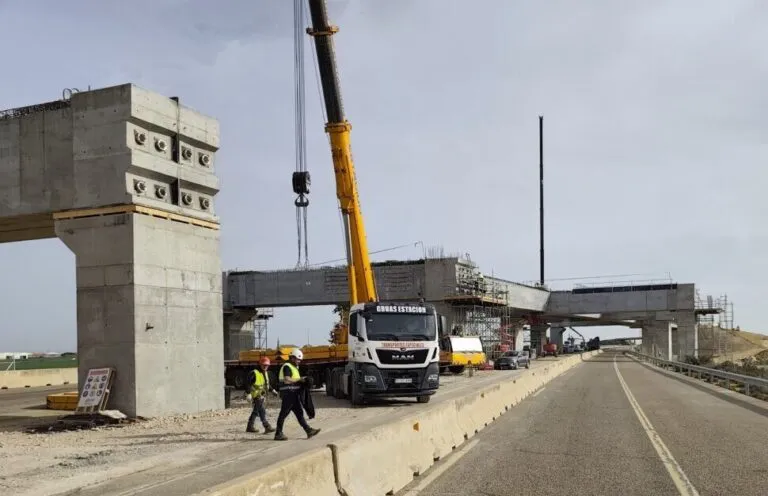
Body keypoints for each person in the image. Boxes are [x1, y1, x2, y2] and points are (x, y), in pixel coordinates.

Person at [274, 349, 320, 441]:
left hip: (292, 394)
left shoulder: (294, 367)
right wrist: (300, 379)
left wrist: (302, 381)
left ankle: (308, 431)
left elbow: (294, 380)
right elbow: (287, 379)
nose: (299, 361)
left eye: (300, 360)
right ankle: (278, 434)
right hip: (288, 394)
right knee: (283, 414)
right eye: (298, 359)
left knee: (299, 413)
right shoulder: (287, 366)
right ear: (292, 358)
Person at [246, 356, 278, 434]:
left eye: (266, 365)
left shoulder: (265, 373)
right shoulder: (254, 373)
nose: (265, 366)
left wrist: (272, 390)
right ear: (260, 364)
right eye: (263, 365)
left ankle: (251, 426)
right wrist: (248, 393)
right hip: (256, 395)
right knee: (258, 411)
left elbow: (266, 385)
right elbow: (248, 383)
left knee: (259, 411)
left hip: (261, 395)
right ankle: (266, 426)